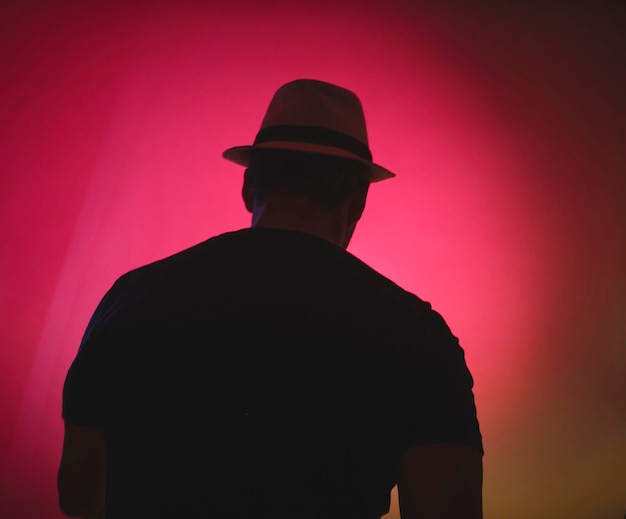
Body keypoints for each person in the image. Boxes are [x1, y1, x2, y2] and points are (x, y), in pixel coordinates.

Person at [58, 79, 483, 519]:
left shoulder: (128, 300)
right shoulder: (417, 333)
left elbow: (78, 496)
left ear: (248, 186)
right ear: (358, 200)